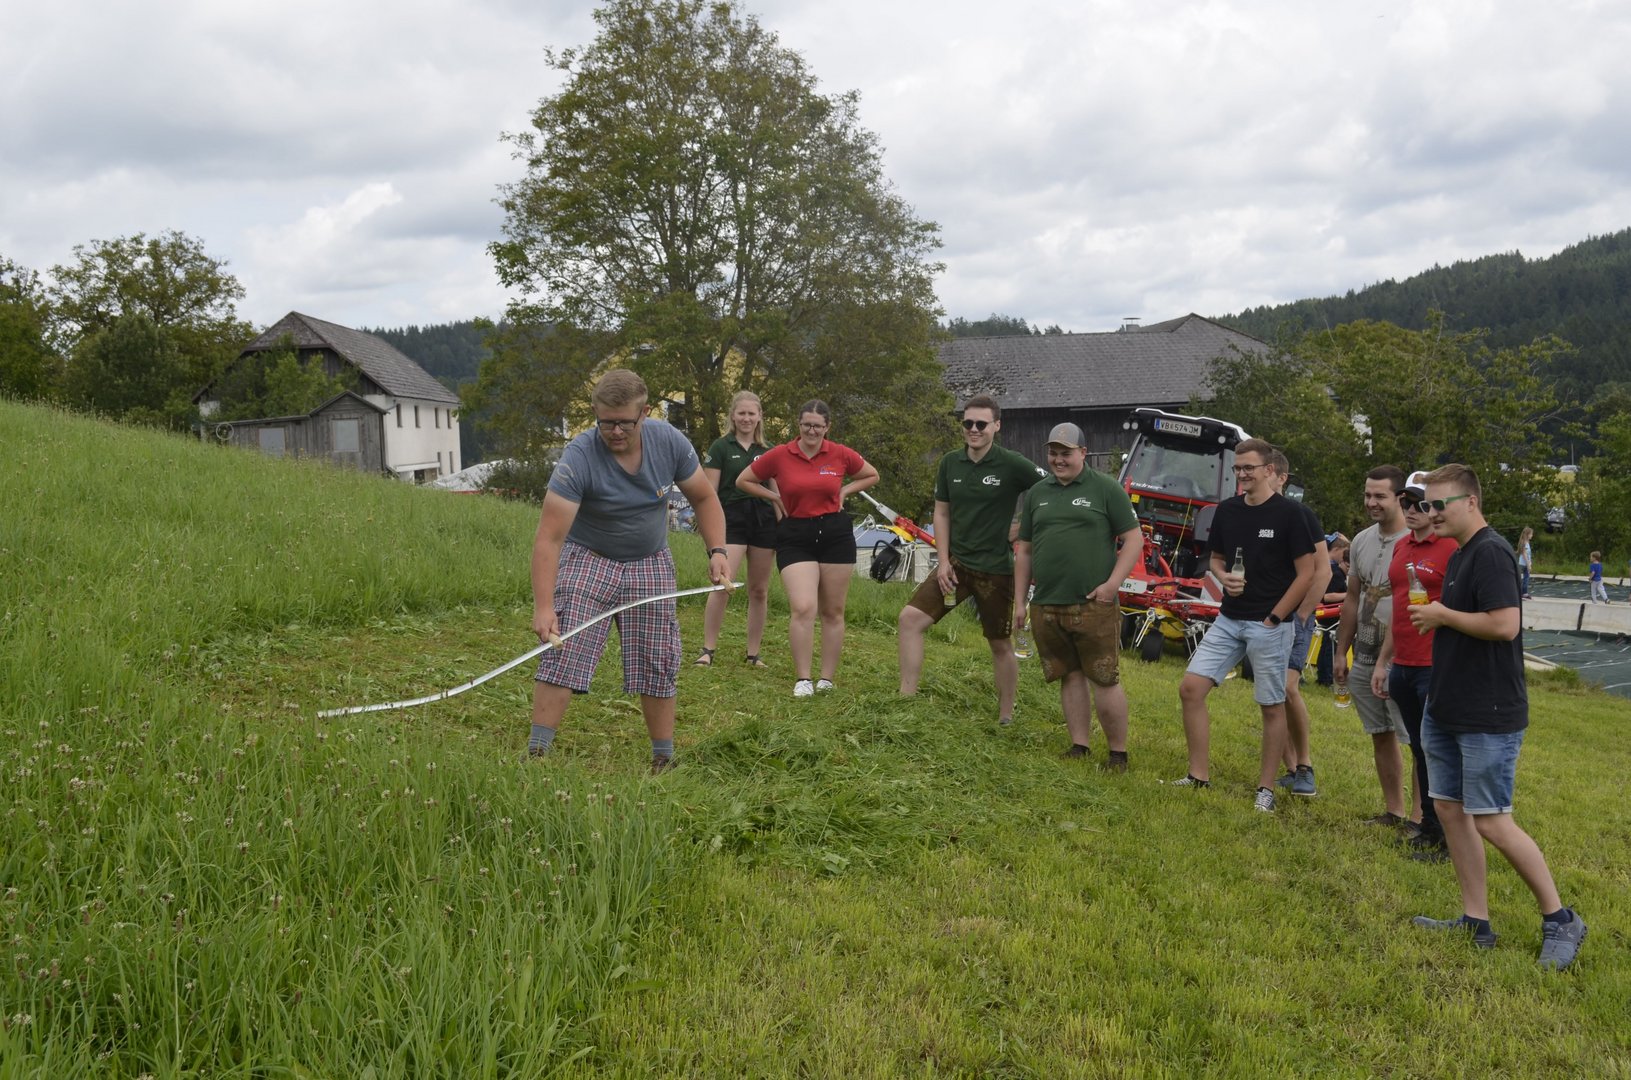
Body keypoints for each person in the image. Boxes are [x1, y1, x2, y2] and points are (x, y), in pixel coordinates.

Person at [1408, 464, 1586, 970]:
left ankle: (1561, 919)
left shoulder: (1491, 552)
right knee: (1449, 810)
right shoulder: (1461, 553)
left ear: (1470, 502)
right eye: (1426, 504)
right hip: (1446, 705)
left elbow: (1506, 625)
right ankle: (1476, 921)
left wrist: (1441, 614)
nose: (1430, 513)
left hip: (1487, 712)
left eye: (1439, 504)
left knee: (1491, 819)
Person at [527, 369, 731, 772]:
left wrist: (718, 551)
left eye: (625, 422)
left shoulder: (669, 442)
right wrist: (544, 607)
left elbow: (705, 498)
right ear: (595, 413)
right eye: (606, 422)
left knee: (658, 656)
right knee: (564, 647)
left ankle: (663, 758)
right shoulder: (579, 457)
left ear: (645, 412)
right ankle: (536, 753)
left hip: (650, 560)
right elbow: (549, 538)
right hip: (589, 556)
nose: (616, 431)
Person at [1173, 439, 1318, 812]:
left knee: (1271, 706)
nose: (1241, 474)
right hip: (1229, 618)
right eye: (1237, 468)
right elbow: (1216, 559)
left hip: (1270, 625)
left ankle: (1265, 790)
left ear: (1269, 470)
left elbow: (1307, 573)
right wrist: (1223, 577)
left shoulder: (1291, 514)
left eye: (1248, 468)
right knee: (1190, 689)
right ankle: (1198, 776)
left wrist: (1275, 618)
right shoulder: (1227, 510)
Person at [898, 394, 1045, 725]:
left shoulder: (1012, 463)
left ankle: (1006, 715)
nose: (974, 429)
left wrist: (1023, 528)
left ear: (996, 426)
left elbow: (1051, 489)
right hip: (956, 566)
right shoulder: (950, 463)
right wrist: (943, 560)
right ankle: (905, 699)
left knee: (999, 643)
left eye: (981, 424)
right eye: (968, 423)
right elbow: (941, 513)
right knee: (909, 620)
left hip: (996, 572)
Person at [1013, 423, 1142, 766]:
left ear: (1083, 453)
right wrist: (1020, 601)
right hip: (1047, 604)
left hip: (1093, 604)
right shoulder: (1037, 493)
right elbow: (1025, 550)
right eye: (1053, 453)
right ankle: (1079, 746)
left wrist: (1112, 585)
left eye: (1066, 453)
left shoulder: (1106, 488)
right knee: (1068, 675)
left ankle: (1118, 753)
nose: (1058, 459)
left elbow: (1134, 539)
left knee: (1104, 677)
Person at [737, 399, 879, 697]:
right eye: (806, 425)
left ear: (827, 427)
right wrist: (775, 498)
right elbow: (744, 480)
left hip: (835, 534)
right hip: (795, 535)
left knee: (833, 610)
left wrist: (845, 490)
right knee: (803, 607)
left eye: (817, 426)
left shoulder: (840, 453)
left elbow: (871, 474)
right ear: (798, 425)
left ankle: (826, 679)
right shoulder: (780, 454)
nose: (811, 431)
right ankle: (803, 678)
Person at [1373, 471, 1459, 862]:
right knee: (1421, 750)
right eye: (1406, 503)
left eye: (1421, 504)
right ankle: (1428, 828)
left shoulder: (1450, 547)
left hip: (1435, 663)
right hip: (1404, 662)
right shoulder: (1401, 546)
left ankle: (1447, 835)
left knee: (1438, 750)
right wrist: (1384, 661)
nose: (1411, 510)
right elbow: (1399, 609)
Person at [1333, 465, 1417, 830]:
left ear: (1400, 498)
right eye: (1368, 495)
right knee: (1380, 733)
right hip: (1365, 654)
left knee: (1416, 741)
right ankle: (1394, 811)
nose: (1371, 502)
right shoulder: (1361, 540)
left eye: (1380, 496)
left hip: (1404, 657)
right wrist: (1341, 651)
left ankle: (1420, 819)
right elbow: (1352, 598)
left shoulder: (1415, 539)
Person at [695, 391, 776, 669]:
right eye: (741, 413)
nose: (746, 418)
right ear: (732, 415)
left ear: (759, 416)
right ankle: (708, 649)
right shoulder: (720, 447)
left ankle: (754, 654)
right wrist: (709, 530)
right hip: (731, 519)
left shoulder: (769, 450)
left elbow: (777, 493)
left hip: (763, 520)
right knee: (723, 585)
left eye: (751, 413)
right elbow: (709, 493)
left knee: (759, 590)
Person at [1267, 450, 1331, 798]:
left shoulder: (1300, 515)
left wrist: (1303, 612)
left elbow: (1323, 570)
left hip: (1294, 618)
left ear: (1281, 478)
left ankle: (1305, 767)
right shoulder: (1247, 512)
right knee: (1270, 694)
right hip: (1263, 618)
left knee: (1289, 688)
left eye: (1268, 472)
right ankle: (1291, 770)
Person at [1315, 534, 1349, 686]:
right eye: (1343, 552)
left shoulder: (1331, 569)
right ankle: (1326, 678)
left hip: (1328, 615)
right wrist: (1349, 595)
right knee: (1330, 647)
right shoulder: (1335, 572)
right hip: (1329, 616)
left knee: (1327, 646)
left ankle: (1324, 677)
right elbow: (1327, 596)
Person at [1516, 526, 1534, 599]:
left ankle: (1524, 593)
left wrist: (1530, 562)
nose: (1532, 535)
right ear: (1527, 534)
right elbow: (1524, 554)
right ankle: (1522, 593)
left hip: (1525, 563)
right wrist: (1528, 564)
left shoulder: (1527, 542)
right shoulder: (1525, 543)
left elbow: (1528, 554)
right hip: (1523, 564)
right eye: (1531, 534)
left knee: (1525, 578)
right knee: (1524, 579)